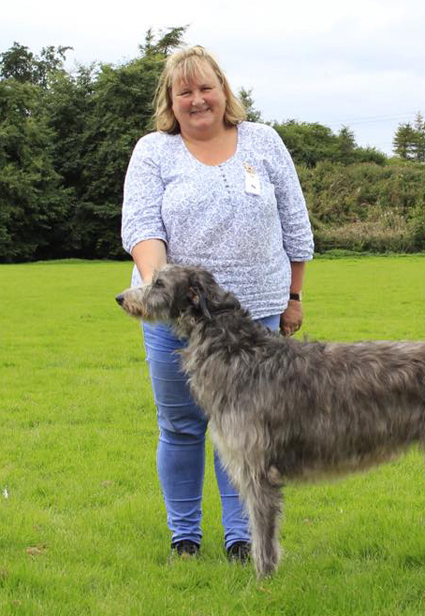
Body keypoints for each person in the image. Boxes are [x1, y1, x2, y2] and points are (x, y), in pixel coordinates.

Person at [121, 46, 314, 561]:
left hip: (257, 316)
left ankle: (241, 536)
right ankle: (185, 535)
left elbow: (296, 226)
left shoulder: (265, 142)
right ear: (170, 100)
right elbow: (142, 228)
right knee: (182, 426)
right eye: (183, 91)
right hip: (179, 318)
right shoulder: (153, 152)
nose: (197, 99)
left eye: (206, 87)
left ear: (225, 90)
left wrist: (294, 297)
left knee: (247, 431)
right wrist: (157, 289)